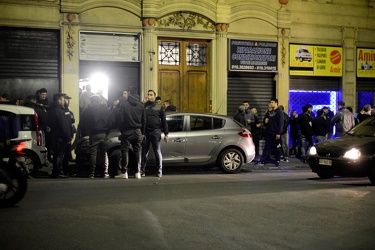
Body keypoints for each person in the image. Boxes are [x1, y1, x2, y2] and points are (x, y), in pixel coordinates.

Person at [115, 87, 146, 179]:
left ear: (129, 93)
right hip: (138, 130)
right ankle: (137, 172)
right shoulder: (141, 105)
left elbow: (120, 119)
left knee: (125, 151)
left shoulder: (124, 104)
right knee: (138, 151)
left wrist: (121, 130)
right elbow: (144, 120)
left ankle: (124, 172)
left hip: (126, 130)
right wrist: (142, 132)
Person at [80, 94, 110, 178]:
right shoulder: (105, 108)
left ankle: (92, 172)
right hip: (104, 133)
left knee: (93, 154)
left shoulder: (90, 109)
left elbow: (86, 121)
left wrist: (88, 131)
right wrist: (107, 131)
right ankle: (105, 172)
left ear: (93, 101)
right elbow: (110, 120)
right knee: (104, 153)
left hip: (94, 133)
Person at [141, 90, 169, 177]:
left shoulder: (159, 107)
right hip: (146, 132)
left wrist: (166, 134)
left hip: (156, 131)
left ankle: (159, 171)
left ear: (154, 96)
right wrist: (143, 103)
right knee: (144, 152)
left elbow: (164, 121)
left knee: (157, 151)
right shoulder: (144, 106)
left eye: (151, 94)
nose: (149, 96)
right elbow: (140, 119)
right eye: (148, 94)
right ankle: (142, 170)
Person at [47, 93, 73, 178]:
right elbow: (64, 125)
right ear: (59, 100)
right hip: (60, 137)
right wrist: (68, 137)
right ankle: (58, 172)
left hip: (54, 136)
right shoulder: (59, 111)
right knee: (60, 155)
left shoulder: (51, 110)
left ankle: (56, 171)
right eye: (62, 100)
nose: (63, 101)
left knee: (56, 154)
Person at [254, 98, 283, 167]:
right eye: (270, 102)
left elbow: (281, 123)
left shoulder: (279, 112)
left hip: (275, 133)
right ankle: (262, 161)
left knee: (277, 147)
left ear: (276, 103)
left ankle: (278, 160)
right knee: (266, 147)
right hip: (269, 133)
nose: (271, 103)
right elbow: (267, 121)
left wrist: (278, 133)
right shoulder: (271, 112)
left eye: (272, 102)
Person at [61, 93, 76, 176]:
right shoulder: (63, 111)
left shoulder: (68, 111)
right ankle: (63, 171)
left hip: (68, 136)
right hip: (64, 137)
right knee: (63, 155)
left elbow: (72, 120)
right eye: (67, 99)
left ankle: (65, 170)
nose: (68, 101)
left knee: (66, 155)